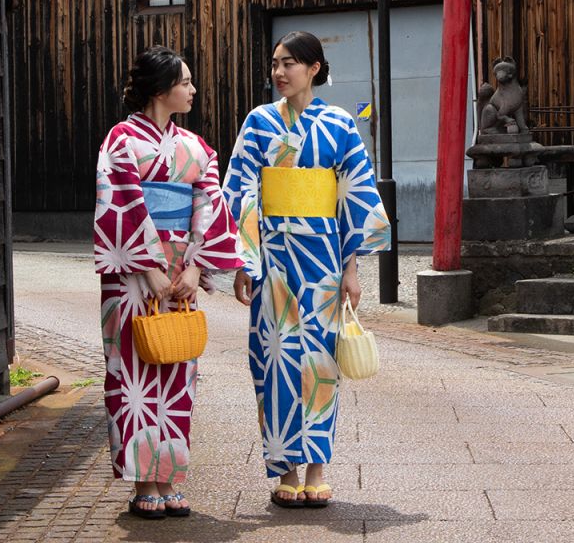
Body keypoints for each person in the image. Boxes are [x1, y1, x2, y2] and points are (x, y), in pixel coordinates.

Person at [223, 31, 390, 509]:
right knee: (273, 359)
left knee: (320, 361)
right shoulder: (258, 123)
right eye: (275, 63)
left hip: (322, 257)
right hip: (272, 256)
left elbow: (352, 198)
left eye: (290, 63)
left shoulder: (339, 124)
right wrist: (244, 260)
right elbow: (241, 193)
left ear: (315, 68)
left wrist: (352, 271)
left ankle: (317, 467)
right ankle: (285, 469)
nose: (280, 72)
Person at [93, 46, 244, 520]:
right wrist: (149, 266)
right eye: (185, 82)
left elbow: (210, 205)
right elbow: (122, 204)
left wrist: (197, 267)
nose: (193, 90)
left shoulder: (198, 148)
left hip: (182, 272)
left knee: (178, 373)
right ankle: (143, 482)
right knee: (133, 374)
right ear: (161, 90)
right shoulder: (121, 140)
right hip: (133, 274)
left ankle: (170, 477)